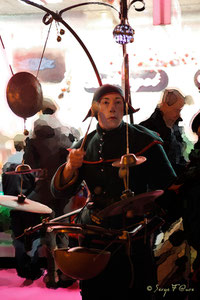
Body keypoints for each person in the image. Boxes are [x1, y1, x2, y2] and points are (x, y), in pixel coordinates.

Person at [51, 84, 177, 299]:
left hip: (134, 234)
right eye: (106, 103)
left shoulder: (146, 139)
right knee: (96, 293)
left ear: (124, 108)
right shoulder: (84, 145)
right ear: (96, 109)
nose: (113, 109)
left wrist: (155, 216)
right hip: (94, 236)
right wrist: (70, 167)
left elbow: (169, 187)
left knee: (137, 291)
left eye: (118, 103)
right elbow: (59, 192)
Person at [23, 98, 81, 288]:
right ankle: (66, 274)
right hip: (65, 185)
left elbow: (29, 164)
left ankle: (52, 275)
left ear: (39, 113)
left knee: (49, 230)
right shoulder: (69, 131)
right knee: (63, 228)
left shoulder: (33, 137)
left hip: (44, 188)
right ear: (54, 111)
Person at [2, 134, 43, 282]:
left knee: (18, 238)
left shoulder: (7, 164)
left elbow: (4, 186)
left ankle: (23, 270)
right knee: (34, 237)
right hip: (29, 206)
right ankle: (33, 269)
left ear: (14, 145)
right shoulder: (29, 164)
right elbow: (37, 186)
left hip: (14, 206)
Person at [140, 88, 191, 177]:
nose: (179, 115)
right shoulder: (147, 129)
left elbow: (179, 156)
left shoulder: (175, 126)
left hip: (178, 177)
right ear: (165, 106)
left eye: (180, 110)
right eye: (177, 110)